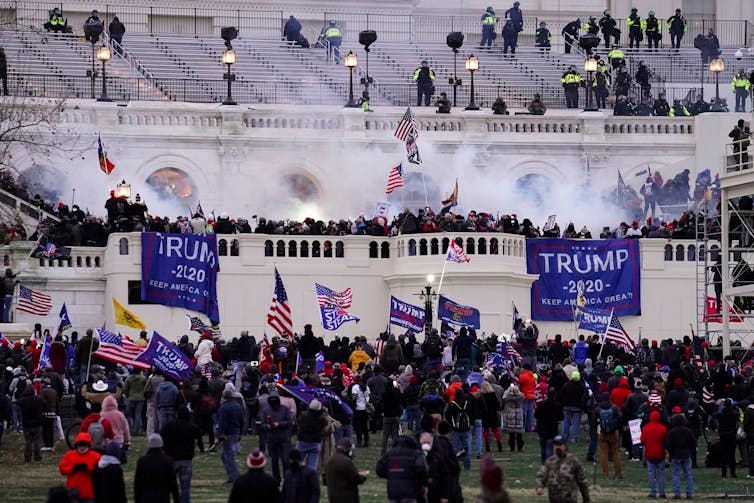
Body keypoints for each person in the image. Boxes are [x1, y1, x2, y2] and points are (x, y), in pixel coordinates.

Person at [161, 406, 201, 503]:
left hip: (171, 459)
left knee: (167, 484)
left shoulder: (169, 427)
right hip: (186, 459)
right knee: (185, 486)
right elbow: (199, 435)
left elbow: (161, 435)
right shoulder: (191, 427)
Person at [536, 436, 590, 503]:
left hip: (570, 500)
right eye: (555, 445)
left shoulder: (573, 461)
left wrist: (586, 499)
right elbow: (541, 475)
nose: (557, 447)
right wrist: (539, 486)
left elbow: (582, 481)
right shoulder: (549, 462)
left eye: (559, 445)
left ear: (565, 446)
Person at [376, 434, 427, 503]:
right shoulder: (416, 454)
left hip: (393, 492)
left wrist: (392, 474)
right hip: (410, 492)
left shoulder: (390, 454)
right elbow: (421, 469)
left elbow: (379, 469)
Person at [134, 433, 180, 503]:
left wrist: (137, 499)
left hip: (146, 498)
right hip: (163, 498)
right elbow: (173, 483)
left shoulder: (142, 461)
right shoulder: (168, 461)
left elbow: (137, 483)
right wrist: (176, 499)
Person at [59, 433, 101, 502]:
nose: (82, 447)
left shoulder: (96, 456)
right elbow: (62, 469)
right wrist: (73, 468)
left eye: (84, 445)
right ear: (76, 445)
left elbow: (99, 472)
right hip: (73, 492)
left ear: (88, 445)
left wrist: (88, 469)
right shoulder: (69, 455)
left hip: (89, 493)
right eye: (80, 445)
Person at [262, 390, 293, 484]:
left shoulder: (285, 409)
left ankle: (287, 478)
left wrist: (278, 424)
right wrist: (267, 426)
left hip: (283, 438)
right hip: (272, 438)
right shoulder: (266, 410)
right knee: (274, 461)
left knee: (285, 459)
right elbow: (262, 424)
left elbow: (289, 422)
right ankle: (276, 479)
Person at [324, 438, 368, 503]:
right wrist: (363, 476)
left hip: (333, 497)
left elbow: (325, 480)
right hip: (347, 497)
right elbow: (356, 478)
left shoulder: (329, 460)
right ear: (347, 449)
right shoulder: (346, 461)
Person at [665, 412, 695, 499]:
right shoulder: (688, 431)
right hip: (686, 454)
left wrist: (672, 451)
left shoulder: (671, 432)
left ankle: (677, 493)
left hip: (675, 455)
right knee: (688, 474)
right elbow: (694, 442)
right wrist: (690, 450)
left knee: (675, 474)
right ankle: (689, 493)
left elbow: (668, 445)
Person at [217, 388, 245, 483]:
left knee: (228, 456)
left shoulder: (223, 408)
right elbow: (242, 420)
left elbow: (222, 422)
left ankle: (235, 477)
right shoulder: (238, 406)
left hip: (227, 433)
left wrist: (220, 434)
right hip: (235, 431)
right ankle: (231, 475)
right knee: (225, 455)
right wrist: (240, 433)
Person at [595, 391, 622, 479]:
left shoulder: (598, 408)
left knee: (604, 453)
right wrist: (616, 426)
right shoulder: (614, 407)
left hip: (602, 432)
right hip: (613, 432)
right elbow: (620, 417)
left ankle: (605, 473)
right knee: (615, 453)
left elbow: (594, 420)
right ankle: (618, 473)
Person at [641, 410, 667, 498]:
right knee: (661, 474)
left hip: (649, 454)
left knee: (651, 474)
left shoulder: (646, 428)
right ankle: (662, 492)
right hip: (660, 454)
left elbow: (642, 441)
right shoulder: (663, 428)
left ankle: (652, 492)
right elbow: (665, 441)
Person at [296, 398, 327, 470]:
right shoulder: (321, 419)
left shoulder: (303, 415)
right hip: (315, 442)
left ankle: (298, 477)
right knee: (312, 466)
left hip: (302, 441)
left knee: (297, 462)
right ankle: (311, 478)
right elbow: (325, 426)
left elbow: (298, 422)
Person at [445, 388, 472, 470]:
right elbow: (471, 413)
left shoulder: (453, 404)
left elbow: (447, 415)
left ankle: (456, 465)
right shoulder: (467, 403)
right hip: (466, 428)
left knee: (455, 448)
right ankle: (467, 465)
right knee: (467, 447)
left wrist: (452, 423)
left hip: (455, 429)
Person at [535, 388, 563, 464]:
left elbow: (536, 415)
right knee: (550, 446)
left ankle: (544, 462)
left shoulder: (541, 404)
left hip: (542, 428)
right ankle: (548, 462)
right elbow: (561, 417)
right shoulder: (557, 405)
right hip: (552, 428)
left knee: (543, 446)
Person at [18, 385, 44, 463]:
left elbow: (16, 402)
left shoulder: (23, 400)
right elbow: (45, 404)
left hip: (27, 425)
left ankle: (27, 458)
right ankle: (38, 458)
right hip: (38, 423)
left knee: (28, 442)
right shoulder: (39, 399)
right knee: (37, 441)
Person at [716, 398, 739, 478]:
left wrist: (717, 406)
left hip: (723, 435)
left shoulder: (721, 413)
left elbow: (714, 415)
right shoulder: (734, 413)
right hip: (732, 435)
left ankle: (724, 473)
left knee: (723, 455)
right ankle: (733, 473)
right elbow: (738, 414)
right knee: (732, 455)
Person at [503, 383, 524, 452]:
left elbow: (504, 396)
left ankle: (512, 447)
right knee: (519, 433)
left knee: (511, 433)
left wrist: (509, 389)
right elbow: (521, 394)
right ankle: (520, 447)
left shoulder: (509, 397)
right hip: (518, 414)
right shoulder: (521, 397)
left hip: (511, 413)